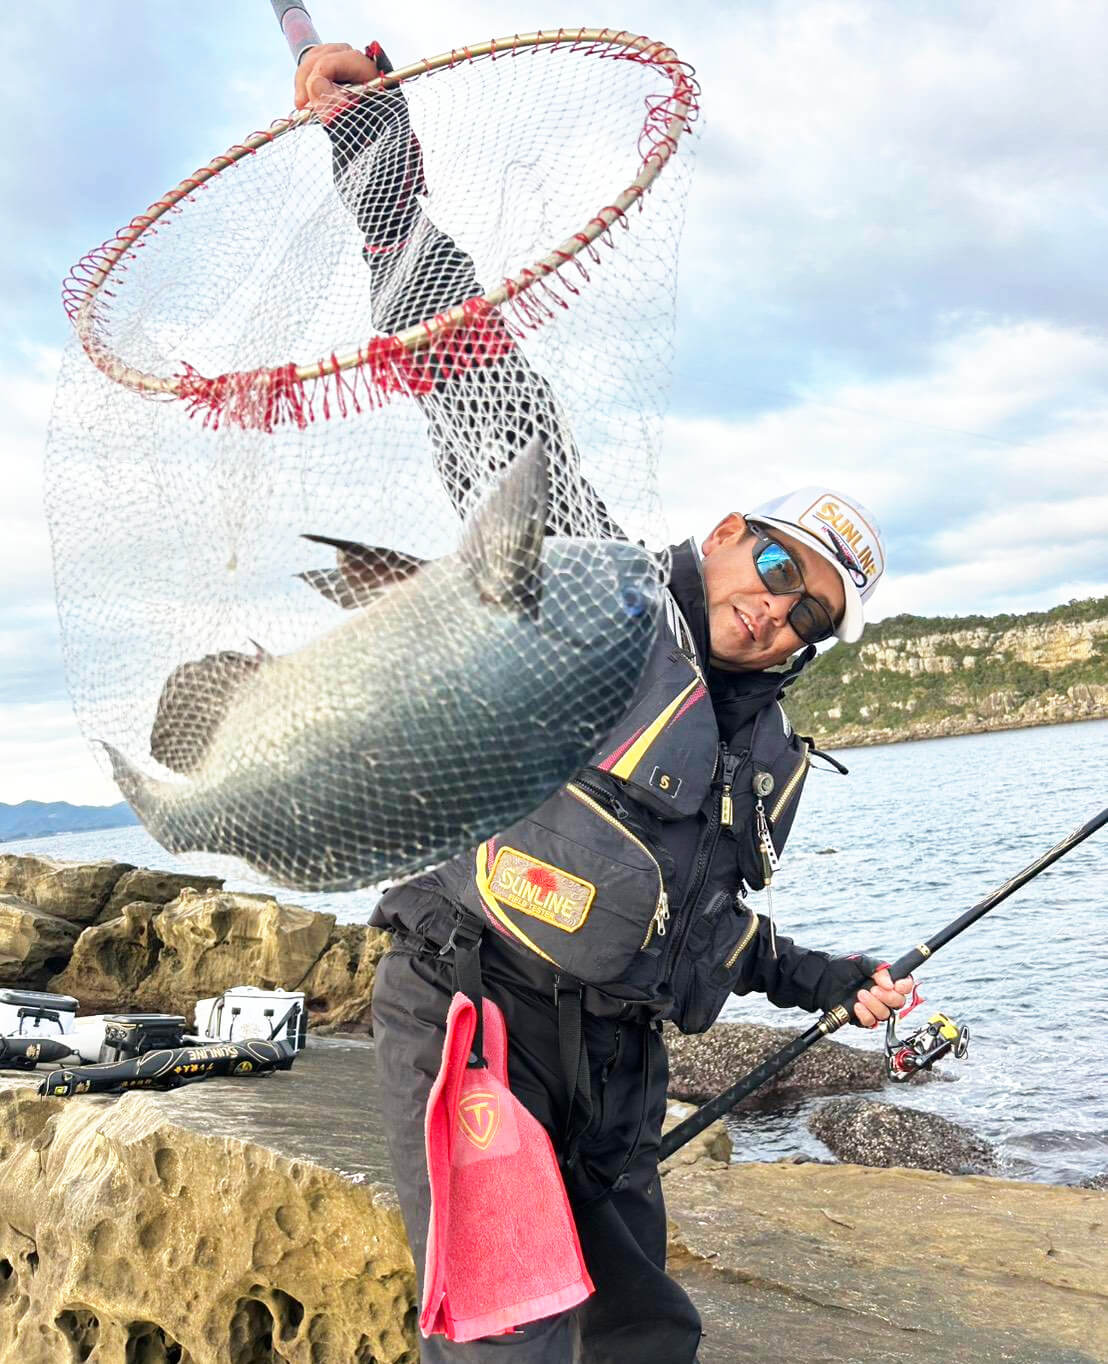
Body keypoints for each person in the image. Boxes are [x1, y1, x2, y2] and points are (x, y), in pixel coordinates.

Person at [294, 44, 915, 1364]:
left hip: (620, 1072)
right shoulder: (591, 585)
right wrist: (371, 150)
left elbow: (701, 932)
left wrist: (833, 981)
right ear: (728, 531)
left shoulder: (761, 744)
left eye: (814, 614)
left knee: (644, 1336)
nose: (781, 613)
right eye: (779, 572)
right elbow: (471, 372)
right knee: (508, 1338)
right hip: (479, 1019)